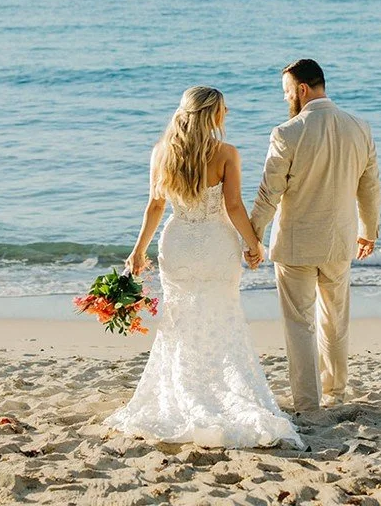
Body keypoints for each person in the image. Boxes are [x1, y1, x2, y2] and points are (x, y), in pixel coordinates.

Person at [105, 86, 302, 449]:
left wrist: (138, 251)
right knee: (222, 316)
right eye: (224, 109)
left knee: (179, 321)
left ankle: (183, 390)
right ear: (212, 114)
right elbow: (234, 206)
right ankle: (222, 392)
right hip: (216, 247)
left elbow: (154, 207)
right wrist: (253, 244)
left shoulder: (161, 152)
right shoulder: (226, 153)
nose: (227, 114)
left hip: (177, 244)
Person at [250, 59, 381, 412]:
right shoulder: (360, 127)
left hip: (295, 245)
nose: (285, 99)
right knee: (335, 320)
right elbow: (369, 187)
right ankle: (335, 393)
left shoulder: (287, 133)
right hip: (340, 241)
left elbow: (269, 193)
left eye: (286, 92)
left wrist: (253, 237)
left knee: (299, 324)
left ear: (302, 89)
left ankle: (307, 402)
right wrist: (368, 231)